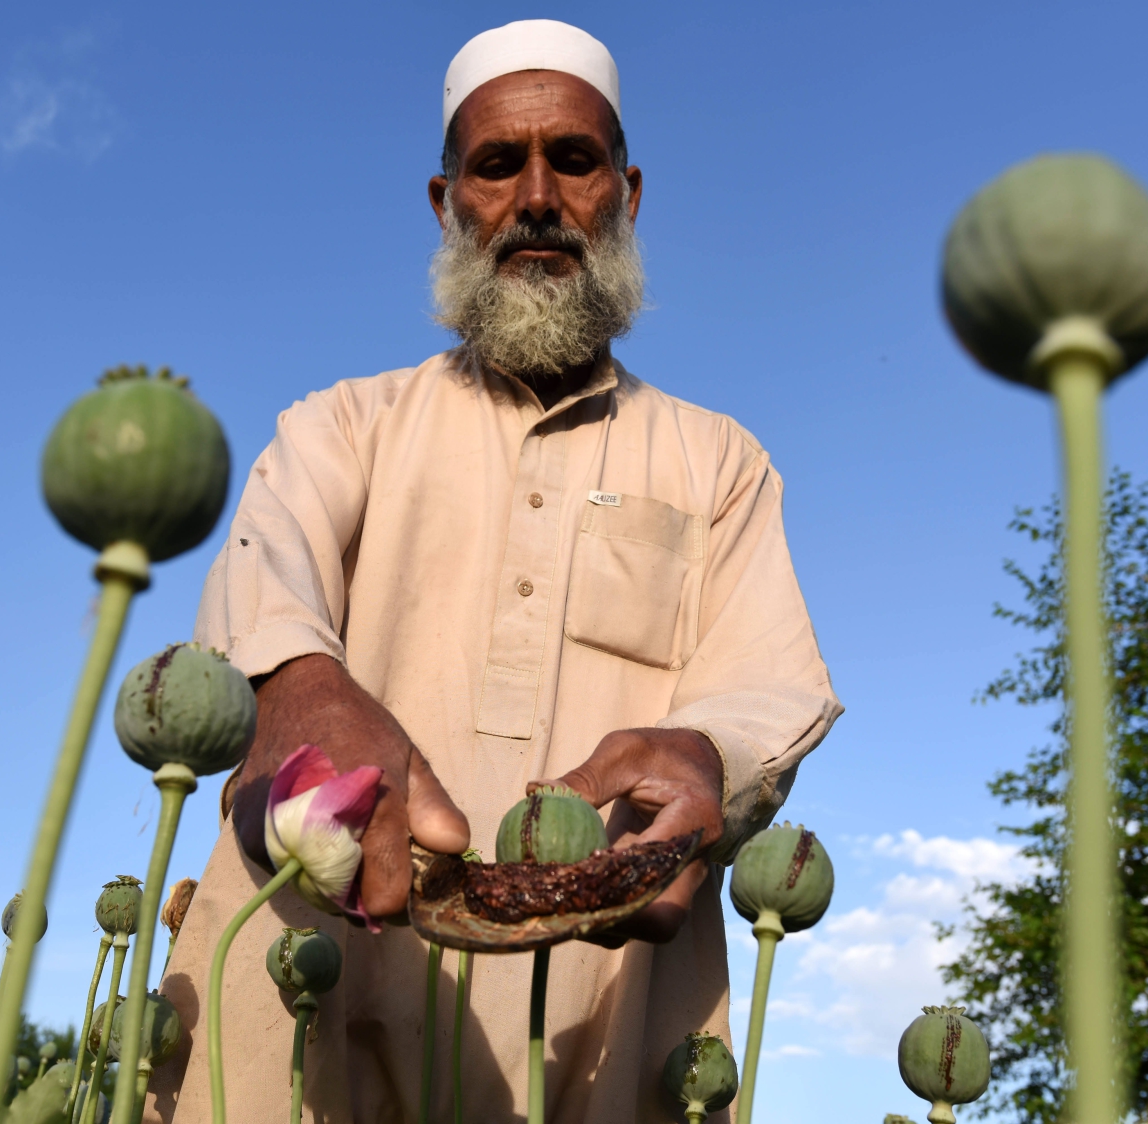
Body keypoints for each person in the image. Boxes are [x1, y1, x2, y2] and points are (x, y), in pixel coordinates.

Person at [150, 19, 842, 1123]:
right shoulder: (340, 427)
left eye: (573, 159)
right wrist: (303, 691)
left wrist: (707, 752)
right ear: (445, 203)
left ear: (626, 193)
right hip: (307, 992)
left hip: (603, 1023)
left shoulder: (719, 461)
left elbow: (767, 683)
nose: (534, 197)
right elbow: (263, 583)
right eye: (494, 164)